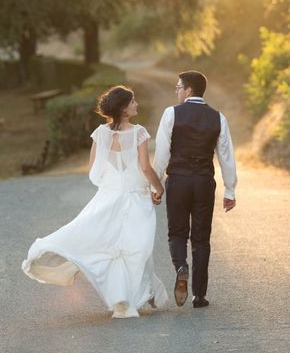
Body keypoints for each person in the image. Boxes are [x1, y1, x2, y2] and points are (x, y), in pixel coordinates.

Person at [21, 85, 168, 318]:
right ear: (124, 109)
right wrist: (158, 188)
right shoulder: (138, 133)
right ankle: (132, 296)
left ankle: (130, 297)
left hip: (109, 196)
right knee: (135, 247)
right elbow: (145, 167)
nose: (136, 104)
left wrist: (112, 183)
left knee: (115, 248)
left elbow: (93, 171)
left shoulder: (100, 134)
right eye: (132, 102)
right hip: (134, 198)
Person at [152, 70, 237, 309]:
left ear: (189, 90)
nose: (176, 91)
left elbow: (161, 153)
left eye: (178, 87)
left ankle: (181, 267)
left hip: (178, 180)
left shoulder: (171, 113)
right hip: (203, 182)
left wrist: (156, 185)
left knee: (177, 233)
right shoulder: (218, 118)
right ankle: (199, 295)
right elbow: (226, 157)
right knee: (201, 239)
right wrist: (230, 190)